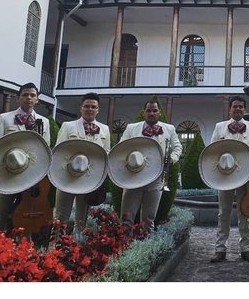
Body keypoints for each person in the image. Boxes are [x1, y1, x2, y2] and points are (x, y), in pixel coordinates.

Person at [209, 95, 249, 263]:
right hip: (225, 176)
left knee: (245, 212)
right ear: (230, 109)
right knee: (223, 212)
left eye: (241, 107)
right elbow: (212, 150)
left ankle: (245, 249)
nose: (238, 109)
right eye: (235, 106)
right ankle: (220, 249)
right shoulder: (220, 127)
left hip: (246, 176)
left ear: (245, 110)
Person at [0, 82, 51, 231]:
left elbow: (46, 149)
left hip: (31, 178)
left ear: (37, 100)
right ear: (18, 98)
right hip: (7, 175)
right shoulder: (4, 118)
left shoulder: (45, 122)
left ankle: (24, 250)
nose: (29, 98)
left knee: (27, 217)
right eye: (25, 95)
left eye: (32, 95)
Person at [119, 99, 182, 231]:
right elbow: (121, 147)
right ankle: (124, 247)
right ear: (144, 113)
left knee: (149, 218)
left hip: (156, 177)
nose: (151, 113)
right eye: (148, 110)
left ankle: (146, 248)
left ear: (159, 112)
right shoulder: (131, 128)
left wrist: (171, 159)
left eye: (154, 110)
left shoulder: (169, 129)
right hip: (133, 176)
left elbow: (177, 148)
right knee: (126, 217)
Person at [54, 92, 111, 233]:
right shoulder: (68, 126)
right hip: (67, 177)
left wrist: (100, 179)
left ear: (98, 110)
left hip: (89, 179)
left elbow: (106, 154)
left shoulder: (105, 129)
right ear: (81, 108)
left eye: (93, 107)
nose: (90, 109)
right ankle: (55, 247)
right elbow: (58, 152)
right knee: (61, 215)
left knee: (82, 217)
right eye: (87, 106)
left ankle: (77, 246)